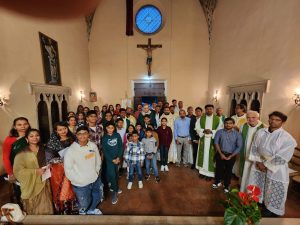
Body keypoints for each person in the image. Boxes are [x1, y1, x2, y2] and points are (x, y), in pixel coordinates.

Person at [247, 111, 297, 217]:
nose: (273, 121)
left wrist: (266, 165)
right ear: (268, 119)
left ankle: (271, 210)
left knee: (273, 188)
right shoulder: (260, 132)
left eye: (277, 120)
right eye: (271, 119)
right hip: (258, 164)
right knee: (258, 184)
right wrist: (259, 162)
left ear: (283, 122)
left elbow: (283, 156)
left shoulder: (287, 138)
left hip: (276, 168)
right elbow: (254, 146)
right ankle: (259, 202)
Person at [13, 129, 54, 215]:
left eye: (37, 135)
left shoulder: (45, 150)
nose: (35, 138)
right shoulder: (21, 153)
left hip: (44, 182)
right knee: (32, 210)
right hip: (30, 184)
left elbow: (51, 161)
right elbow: (18, 171)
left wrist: (49, 165)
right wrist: (35, 171)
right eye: (31, 136)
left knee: (45, 206)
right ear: (27, 139)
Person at [64, 126, 102, 215]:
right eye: (79, 134)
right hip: (81, 184)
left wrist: (96, 172)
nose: (82, 136)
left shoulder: (93, 145)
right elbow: (68, 169)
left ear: (88, 134)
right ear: (76, 135)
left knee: (97, 196)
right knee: (84, 202)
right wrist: (78, 180)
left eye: (85, 133)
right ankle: (83, 214)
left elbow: (98, 160)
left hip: (95, 178)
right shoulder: (71, 150)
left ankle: (92, 209)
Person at [45, 121, 76, 214]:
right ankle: (63, 210)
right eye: (60, 130)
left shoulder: (73, 139)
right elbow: (49, 159)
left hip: (73, 168)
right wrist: (63, 159)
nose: (63, 131)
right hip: (58, 170)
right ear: (56, 131)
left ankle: (73, 209)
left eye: (65, 128)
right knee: (63, 190)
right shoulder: (52, 142)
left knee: (73, 188)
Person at [2, 117, 31, 207]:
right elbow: (6, 158)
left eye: (25, 124)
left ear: (28, 125)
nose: (23, 126)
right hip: (17, 170)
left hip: (32, 169)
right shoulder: (9, 139)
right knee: (20, 193)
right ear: (15, 127)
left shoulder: (33, 136)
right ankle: (22, 211)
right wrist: (10, 173)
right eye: (19, 124)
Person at [213, 118, 243, 193]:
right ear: (224, 124)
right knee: (218, 168)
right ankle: (217, 182)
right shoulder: (219, 132)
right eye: (226, 123)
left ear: (233, 124)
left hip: (231, 155)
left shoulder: (237, 134)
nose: (228, 125)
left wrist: (231, 156)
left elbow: (239, 146)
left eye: (230, 123)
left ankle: (226, 185)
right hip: (220, 153)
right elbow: (216, 143)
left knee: (228, 170)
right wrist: (220, 154)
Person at [239, 111, 264, 192]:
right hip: (245, 153)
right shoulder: (243, 126)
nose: (250, 119)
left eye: (253, 117)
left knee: (254, 173)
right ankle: (243, 188)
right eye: (248, 117)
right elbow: (239, 138)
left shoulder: (263, 128)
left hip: (257, 156)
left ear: (258, 118)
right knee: (245, 172)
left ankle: (253, 192)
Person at [195, 104, 221, 180]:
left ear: (213, 110)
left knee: (211, 157)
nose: (209, 110)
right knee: (203, 156)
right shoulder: (201, 118)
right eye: (207, 109)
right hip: (203, 139)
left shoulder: (217, 119)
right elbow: (197, 127)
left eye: (210, 109)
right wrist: (203, 130)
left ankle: (210, 174)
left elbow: (220, 129)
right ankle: (202, 172)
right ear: (205, 110)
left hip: (212, 140)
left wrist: (212, 131)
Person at [102, 122, 123, 205]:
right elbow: (105, 150)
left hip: (117, 159)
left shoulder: (117, 135)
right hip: (109, 160)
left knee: (116, 174)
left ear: (114, 128)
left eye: (112, 128)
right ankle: (114, 192)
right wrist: (112, 160)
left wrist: (118, 157)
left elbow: (120, 146)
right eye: (108, 128)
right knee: (112, 175)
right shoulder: (104, 137)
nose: (110, 129)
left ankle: (115, 187)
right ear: (106, 128)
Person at [231, 104, 247, 178]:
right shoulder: (233, 117)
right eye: (235, 108)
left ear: (242, 109)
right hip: (232, 138)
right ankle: (231, 171)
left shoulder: (247, 118)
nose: (235, 109)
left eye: (237, 108)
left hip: (241, 139)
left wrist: (237, 128)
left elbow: (246, 130)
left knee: (238, 156)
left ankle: (238, 173)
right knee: (232, 154)